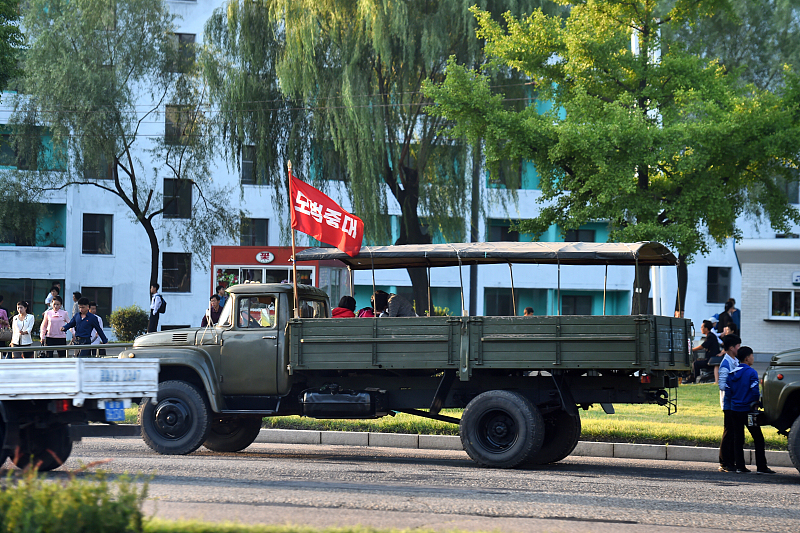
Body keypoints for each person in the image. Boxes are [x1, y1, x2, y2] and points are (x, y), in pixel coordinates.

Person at [726, 346, 775, 474]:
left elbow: (727, 392)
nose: (753, 358)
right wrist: (756, 403)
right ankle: (761, 467)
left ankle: (740, 466)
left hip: (734, 410)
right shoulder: (751, 372)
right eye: (752, 356)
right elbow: (754, 391)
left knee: (738, 438)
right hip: (748, 411)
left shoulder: (732, 373)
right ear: (747, 358)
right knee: (758, 438)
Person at [718, 334, 741, 472]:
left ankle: (730, 461)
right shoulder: (726, 363)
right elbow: (722, 384)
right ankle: (724, 462)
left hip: (733, 403)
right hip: (728, 403)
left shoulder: (734, 360)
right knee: (729, 432)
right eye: (738, 346)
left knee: (733, 432)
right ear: (731, 347)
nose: (739, 348)